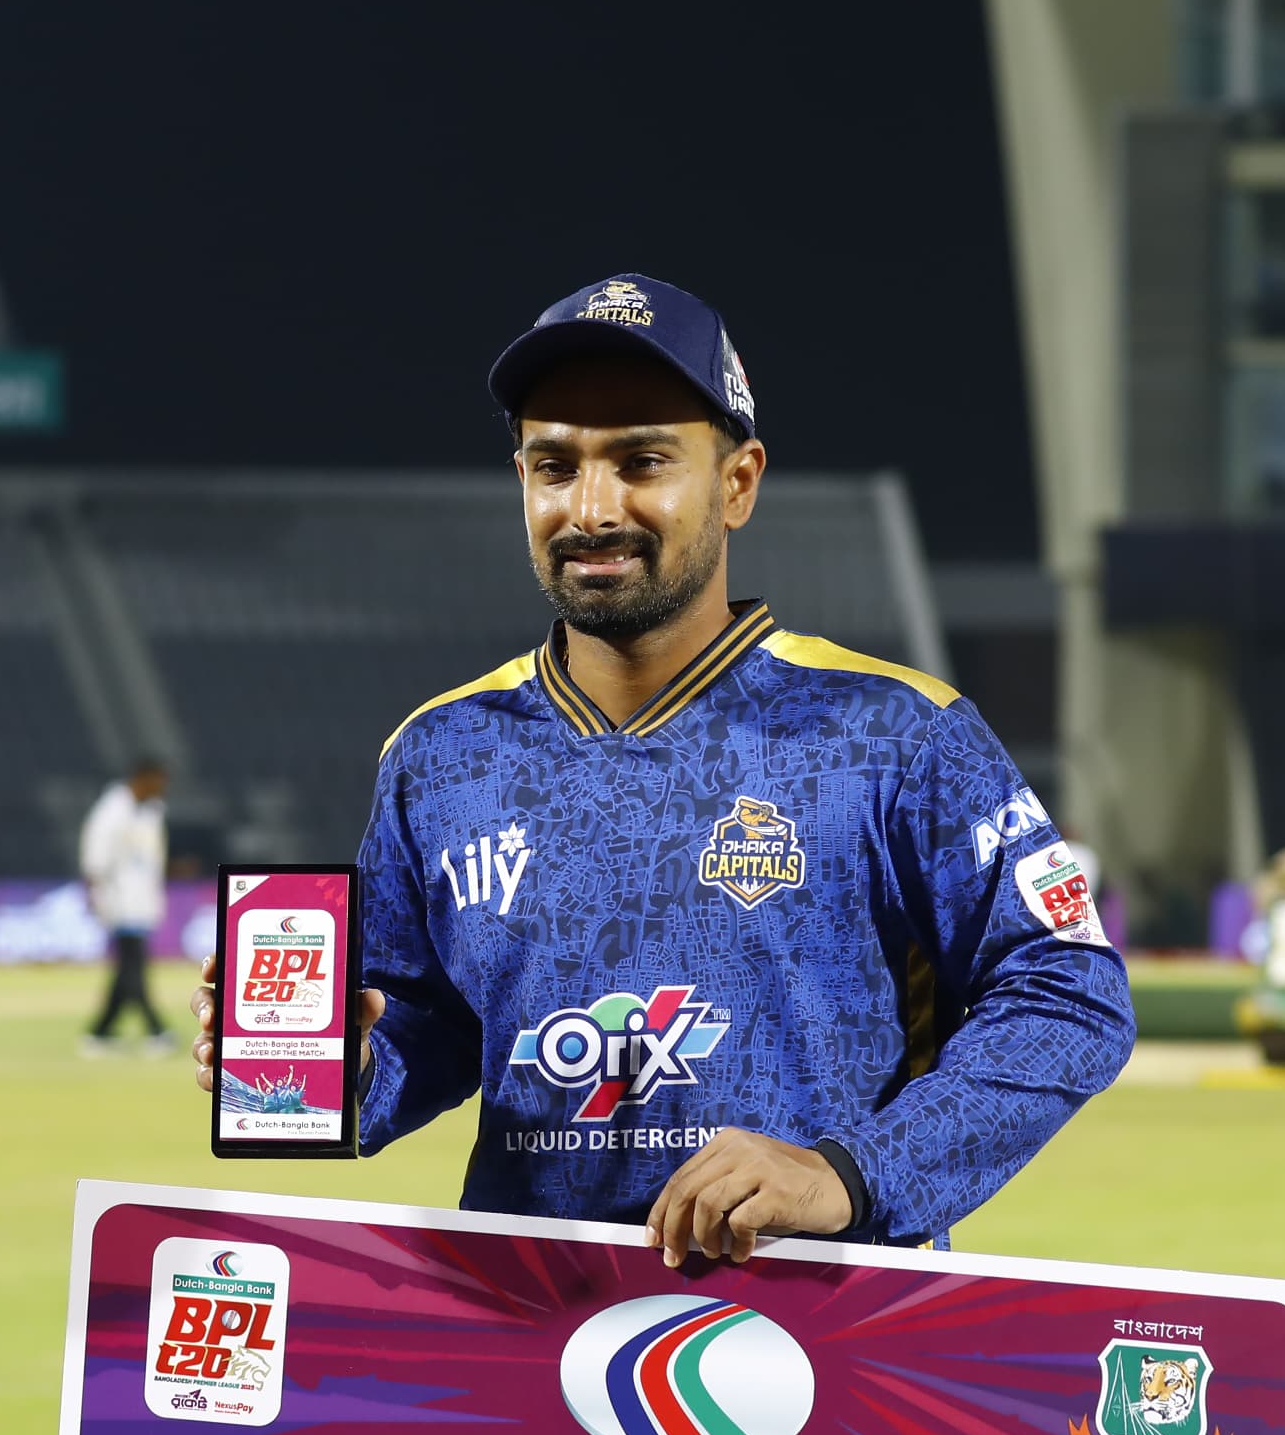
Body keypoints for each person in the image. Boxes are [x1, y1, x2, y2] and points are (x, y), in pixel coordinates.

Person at [190, 273, 1132, 1261]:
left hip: (822, 1347)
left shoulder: (899, 732)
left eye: (643, 460)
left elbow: (1068, 994)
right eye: (555, 465)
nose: (592, 507)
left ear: (738, 482)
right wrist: (330, 1069)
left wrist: (849, 1172)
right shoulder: (439, 753)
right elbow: (423, 1028)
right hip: (528, 1339)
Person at [80, 757, 170, 1046]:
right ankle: (157, 1030)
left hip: (141, 900)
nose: (162, 788)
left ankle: (100, 1033)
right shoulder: (112, 811)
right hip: (120, 901)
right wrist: (98, 898)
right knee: (134, 967)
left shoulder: (150, 811)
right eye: (158, 781)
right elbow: (96, 860)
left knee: (126, 968)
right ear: (142, 779)